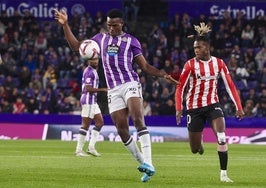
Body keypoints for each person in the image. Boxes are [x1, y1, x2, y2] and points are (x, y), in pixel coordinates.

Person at [53, 8, 177, 182]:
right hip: (113, 89)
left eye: (115, 25)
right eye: (109, 25)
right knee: (122, 130)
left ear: (122, 24)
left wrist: (163, 74)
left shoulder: (131, 41)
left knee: (138, 118)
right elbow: (76, 47)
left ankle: (149, 161)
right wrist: (65, 25)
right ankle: (144, 165)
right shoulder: (100, 39)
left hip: (130, 83)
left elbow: (145, 67)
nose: (111, 28)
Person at [175, 23, 244, 183]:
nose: (196, 50)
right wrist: (179, 108)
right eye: (194, 48)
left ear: (207, 48)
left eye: (198, 47)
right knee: (194, 149)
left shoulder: (219, 63)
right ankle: (200, 144)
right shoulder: (190, 65)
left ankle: (224, 175)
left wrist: (239, 107)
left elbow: (230, 86)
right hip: (194, 109)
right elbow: (180, 88)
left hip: (213, 105)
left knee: (221, 137)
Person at [75, 57, 107, 157]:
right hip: (88, 100)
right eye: (93, 60)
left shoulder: (93, 71)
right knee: (85, 125)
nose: (95, 61)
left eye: (96, 59)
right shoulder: (89, 72)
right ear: (88, 61)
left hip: (93, 101)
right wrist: (103, 90)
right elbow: (88, 89)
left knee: (100, 123)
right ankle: (79, 150)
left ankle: (91, 147)